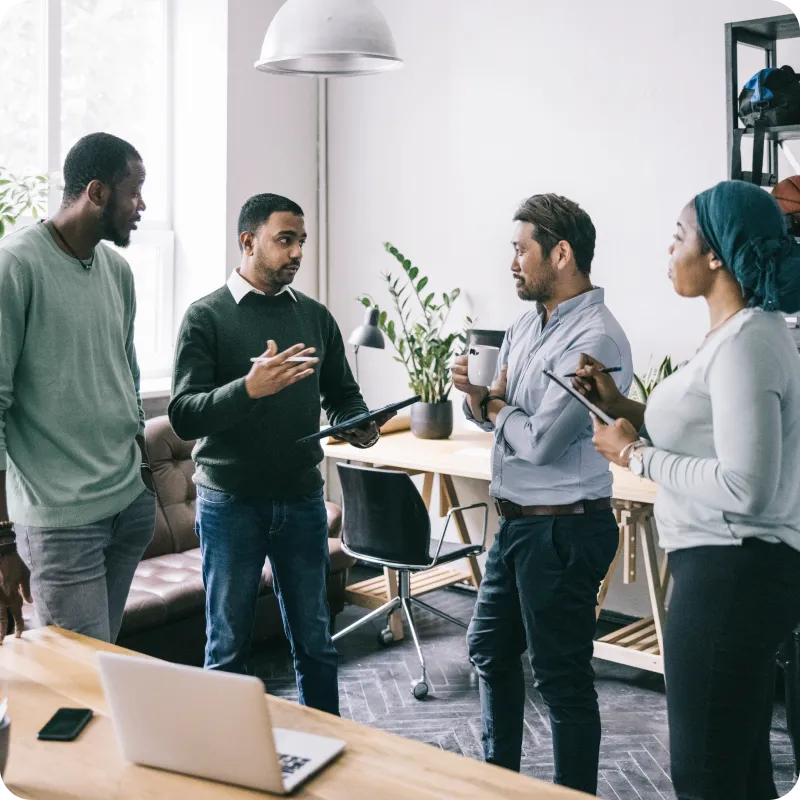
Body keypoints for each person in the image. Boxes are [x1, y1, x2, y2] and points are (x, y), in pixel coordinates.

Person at [580, 180, 800, 800]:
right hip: (732, 573)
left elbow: (746, 486)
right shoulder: (738, 337)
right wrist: (622, 406)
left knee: (705, 777)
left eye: (679, 237)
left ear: (716, 256)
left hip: (733, 575)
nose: (669, 250)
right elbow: (708, 435)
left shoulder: (747, 343)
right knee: (740, 773)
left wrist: (635, 456)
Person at [169, 193, 386, 715]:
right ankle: (226, 757)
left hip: (302, 501)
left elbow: (342, 394)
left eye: (301, 241)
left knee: (316, 644)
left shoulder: (314, 317)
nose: (297, 252)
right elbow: (184, 416)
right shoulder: (205, 317)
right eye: (285, 240)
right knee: (226, 650)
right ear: (248, 242)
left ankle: (328, 745)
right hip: (230, 505)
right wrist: (249, 389)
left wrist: (358, 424)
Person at [451, 193, 633, 794]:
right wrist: (478, 399)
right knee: (489, 649)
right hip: (518, 523)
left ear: (561, 254)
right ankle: (501, 784)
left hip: (564, 528)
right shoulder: (525, 325)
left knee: (561, 680)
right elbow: (501, 417)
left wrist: (494, 406)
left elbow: (541, 443)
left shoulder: (597, 339)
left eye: (520, 250)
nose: (511, 263)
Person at [0, 132, 156, 644]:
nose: (141, 205)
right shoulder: (15, 265)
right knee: (81, 677)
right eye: (134, 191)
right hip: (61, 524)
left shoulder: (118, 271)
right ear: (97, 192)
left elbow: (128, 373)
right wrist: (3, 539)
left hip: (128, 505)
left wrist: (144, 472)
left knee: (105, 664)